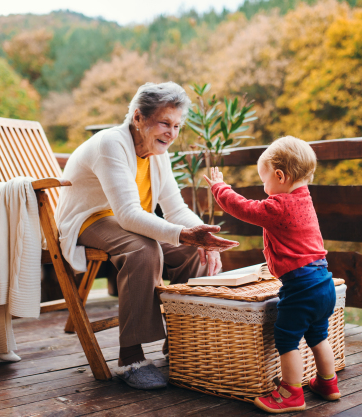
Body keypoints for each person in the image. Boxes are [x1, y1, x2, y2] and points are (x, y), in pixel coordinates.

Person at [56, 81, 238, 390]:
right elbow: (127, 214)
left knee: (193, 251)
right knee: (143, 248)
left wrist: (202, 238)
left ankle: (182, 341)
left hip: (126, 221)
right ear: (139, 118)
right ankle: (131, 358)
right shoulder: (110, 143)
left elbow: (175, 208)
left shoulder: (157, 151)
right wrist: (184, 234)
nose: (172, 132)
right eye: (165, 123)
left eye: (177, 126)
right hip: (89, 219)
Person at [204, 136, 341, 413]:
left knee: (287, 337)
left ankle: (291, 393)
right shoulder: (305, 200)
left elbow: (244, 208)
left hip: (300, 286)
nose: (264, 188)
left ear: (280, 175)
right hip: (323, 282)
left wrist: (220, 188)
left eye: (264, 181)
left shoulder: (279, 206)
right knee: (318, 334)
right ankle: (328, 382)